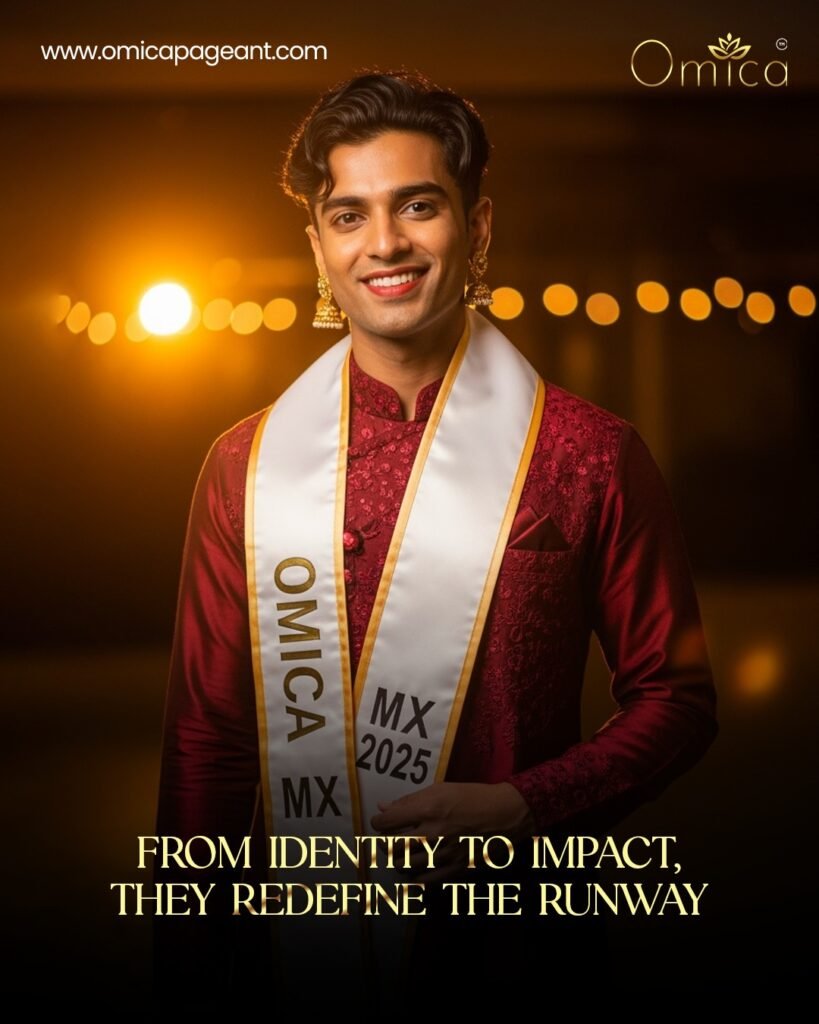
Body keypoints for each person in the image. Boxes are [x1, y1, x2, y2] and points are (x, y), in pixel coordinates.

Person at [154, 69, 718, 1009]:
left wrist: (528, 807)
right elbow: (208, 746)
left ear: (478, 225)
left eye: (417, 205)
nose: (384, 244)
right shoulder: (244, 465)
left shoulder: (589, 454)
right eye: (348, 215)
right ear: (318, 244)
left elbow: (677, 699)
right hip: (298, 954)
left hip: (519, 949)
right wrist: (184, 967)